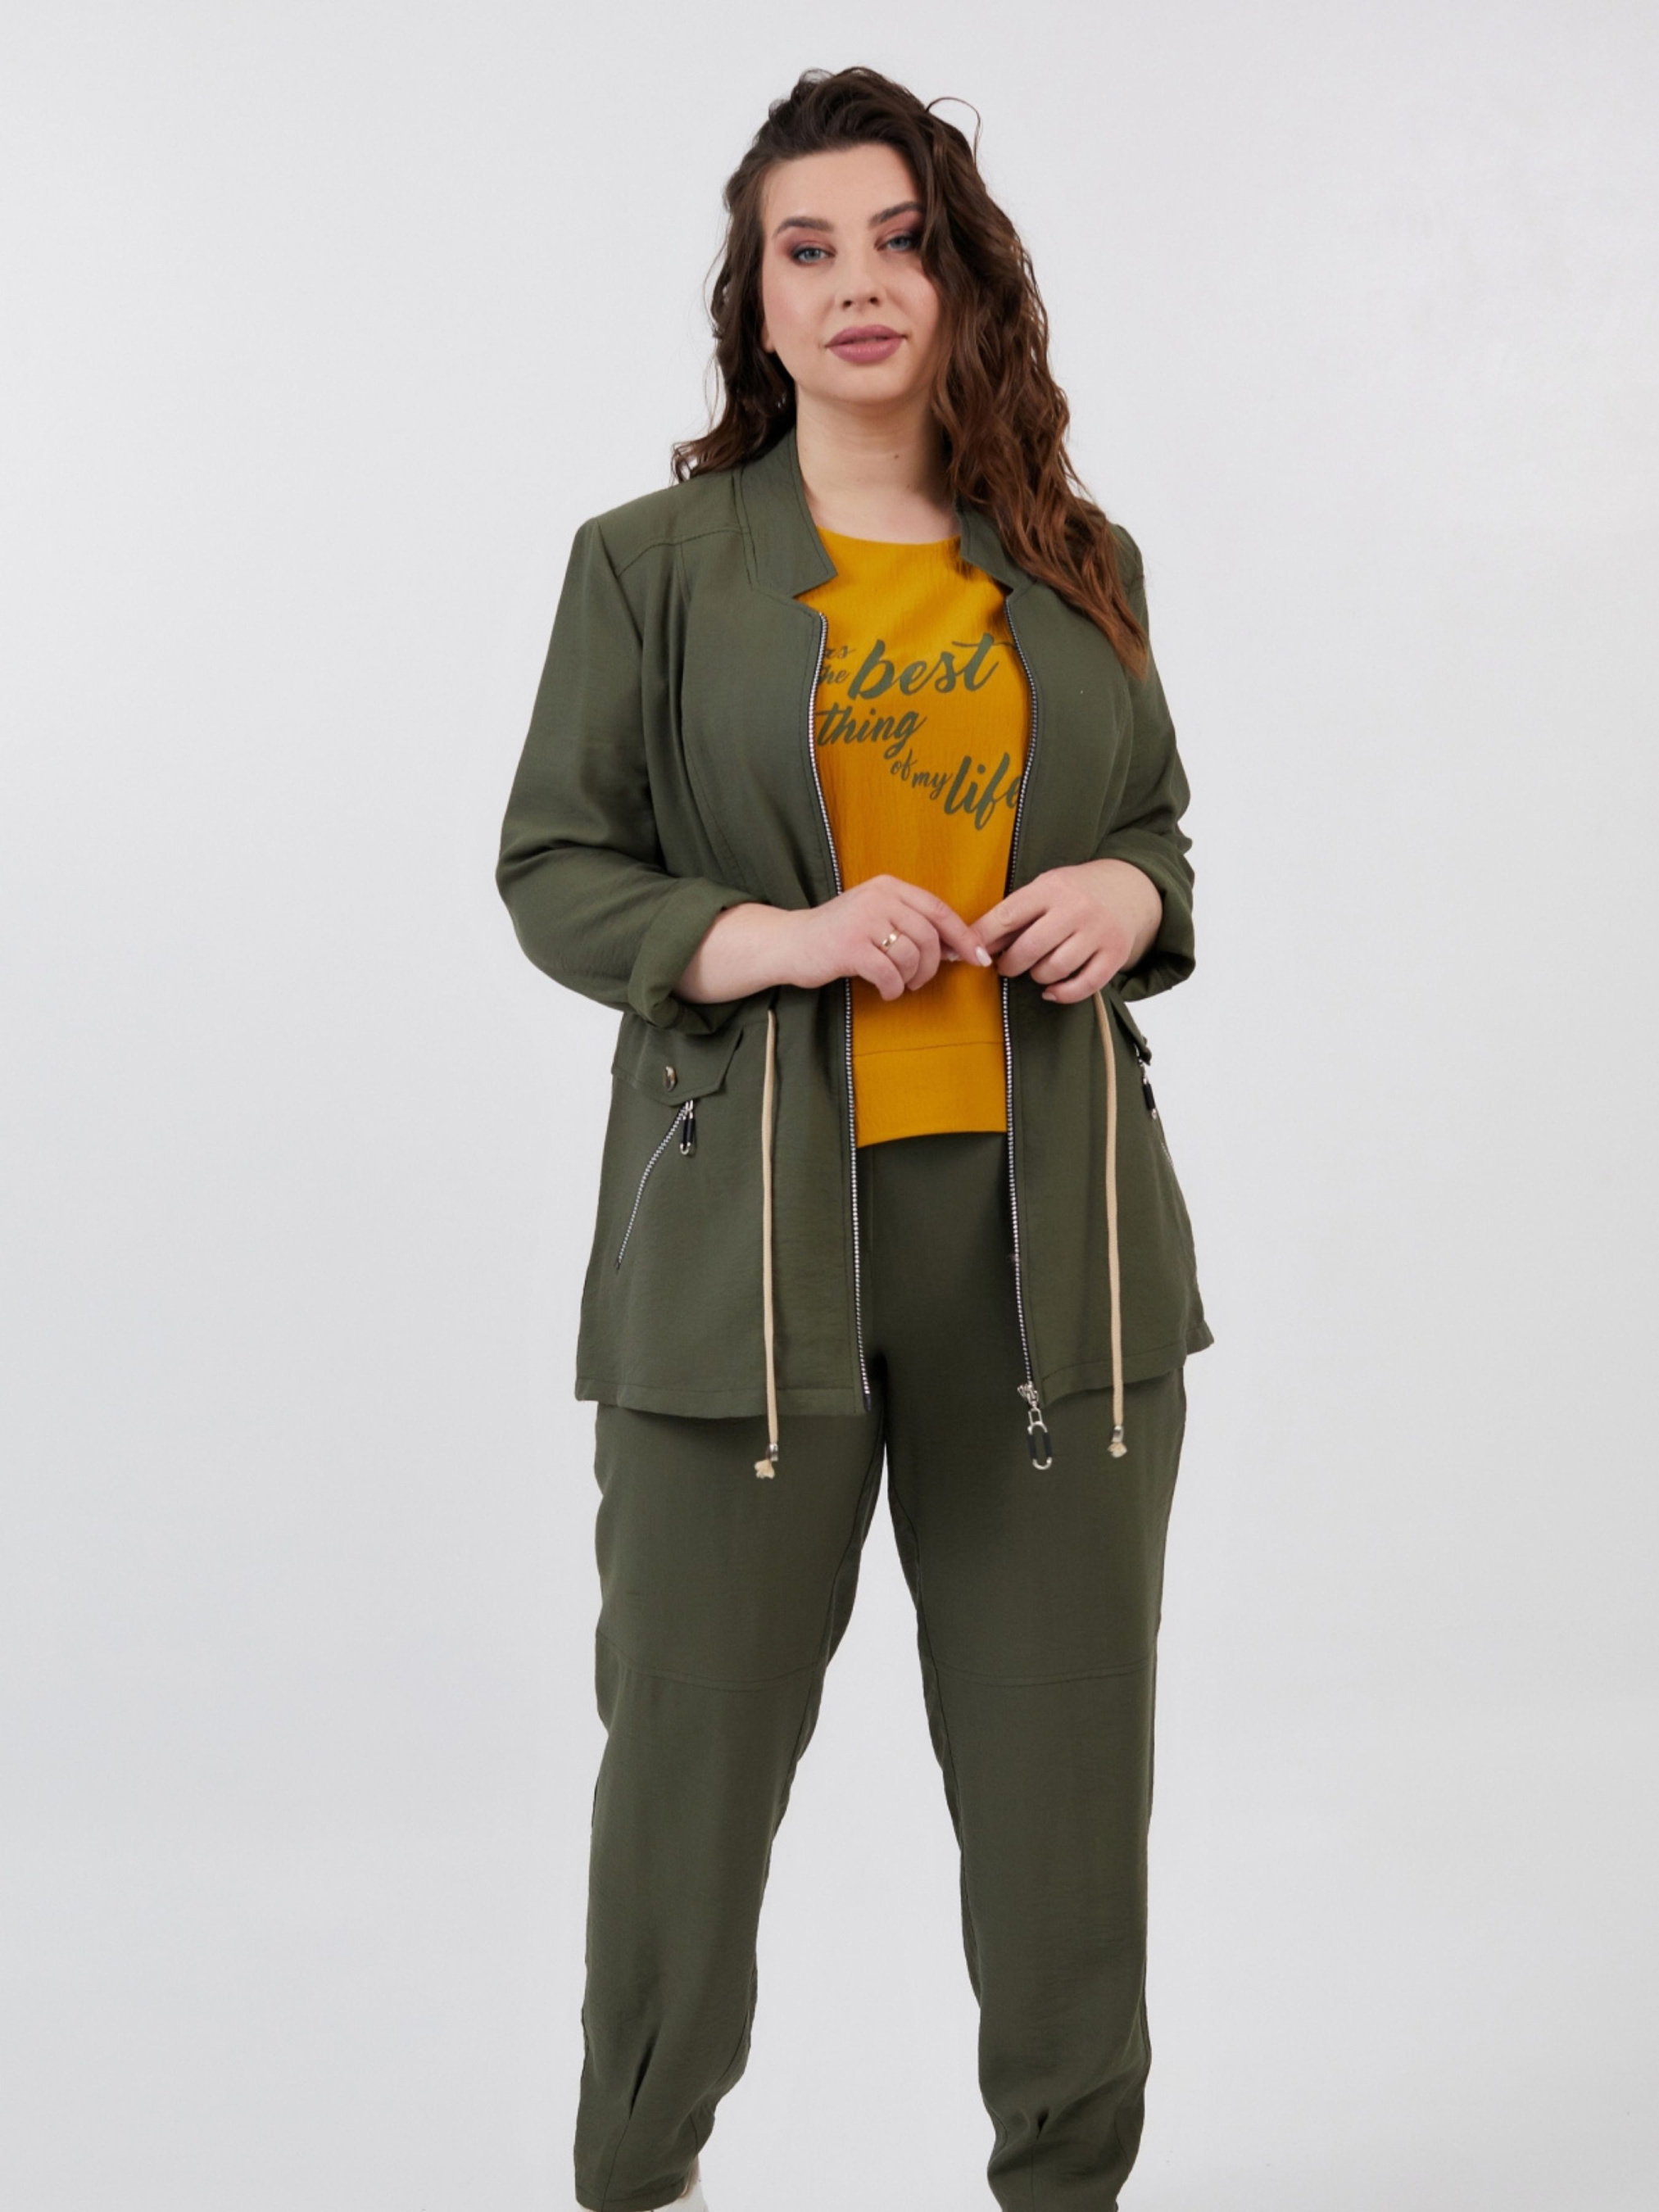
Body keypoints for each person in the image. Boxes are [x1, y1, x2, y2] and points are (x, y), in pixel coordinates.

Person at [496, 63, 1213, 2212]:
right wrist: (769, 937)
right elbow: (557, 867)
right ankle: (635, 2174)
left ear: (961, 273)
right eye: (804, 250)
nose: (854, 284)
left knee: (1066, 1768)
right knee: (691, 1761)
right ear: (757, 297)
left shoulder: (1076, 562)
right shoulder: (650, 566)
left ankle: (1067, 2184)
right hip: (745, 1263)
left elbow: (1156, 828)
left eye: (898, 239)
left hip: (1055, 1254)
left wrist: (1133, 895)